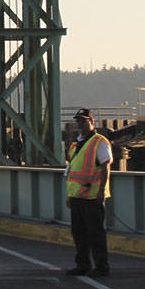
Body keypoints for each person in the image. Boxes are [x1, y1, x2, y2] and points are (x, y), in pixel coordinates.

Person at [65, 107, 112, 277]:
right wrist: (70, 196)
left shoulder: (99, 142)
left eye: (83, 121)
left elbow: (106, 166)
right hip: (77, 196)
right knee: (79, 233)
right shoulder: (75, 144)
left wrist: (101, 190)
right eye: (78, 121)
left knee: (95, 233)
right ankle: (82, 264)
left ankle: (101, 266)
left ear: (92, 122)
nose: (80, 124)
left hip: (92, 196)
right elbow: (71, 170)